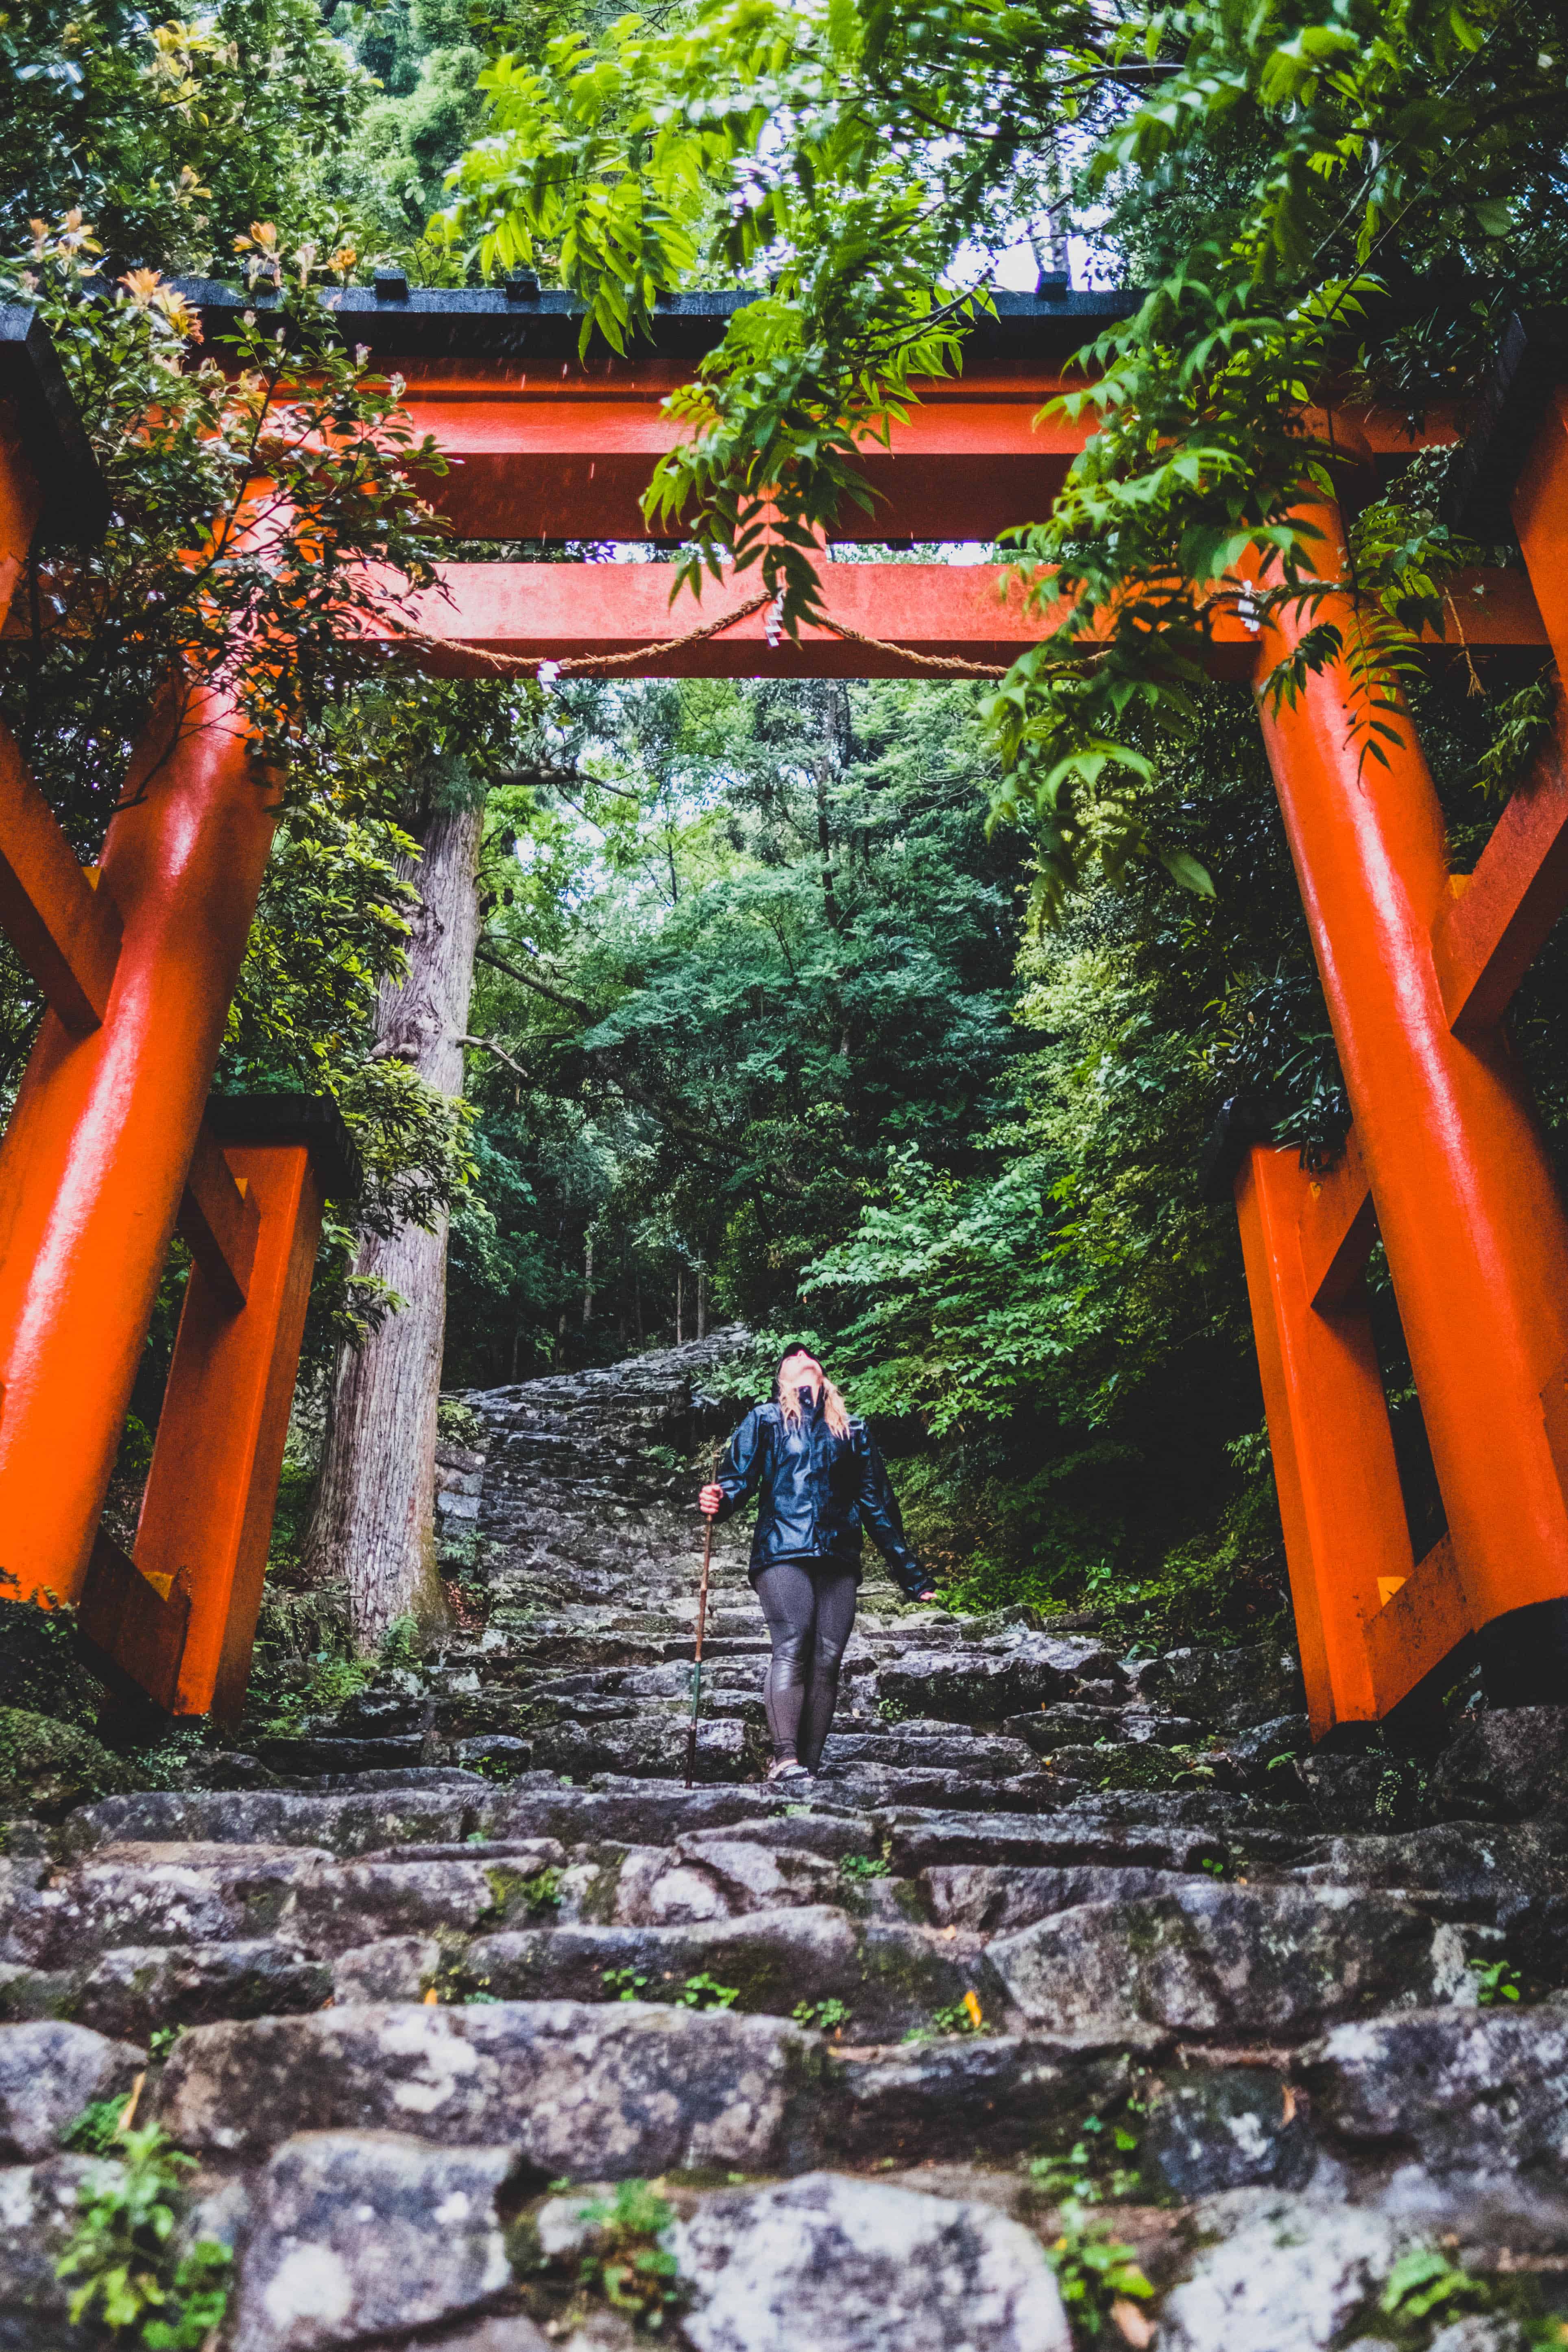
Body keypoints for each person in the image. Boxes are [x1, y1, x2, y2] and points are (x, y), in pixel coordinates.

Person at [700, 1342, 937, 1783]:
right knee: (793, 1642)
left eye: (810, 1356)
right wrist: (720, 1499)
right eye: (792, 1358)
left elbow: (878, 1506)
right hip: (781, 1550)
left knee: (828, 1657)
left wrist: (912, 1575)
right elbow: (738, 1480)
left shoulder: (853, 1429)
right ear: (782, 1381)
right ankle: (785, 1758)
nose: (803, 1355)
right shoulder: (766, 1420)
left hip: (838, 1556)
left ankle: (809, 1768)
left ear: (823, 1375)